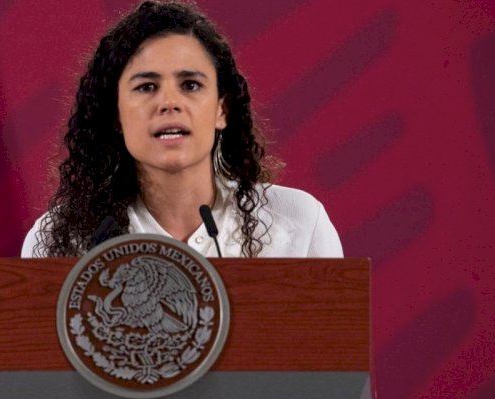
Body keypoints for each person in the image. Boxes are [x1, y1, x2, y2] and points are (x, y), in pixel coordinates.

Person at [21, 0, 342, 258]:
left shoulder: (300, 222)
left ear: (221, 110)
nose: (169, 102)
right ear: (116, 115)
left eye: (190, 85)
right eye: (146, 87)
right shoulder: (61, 239)